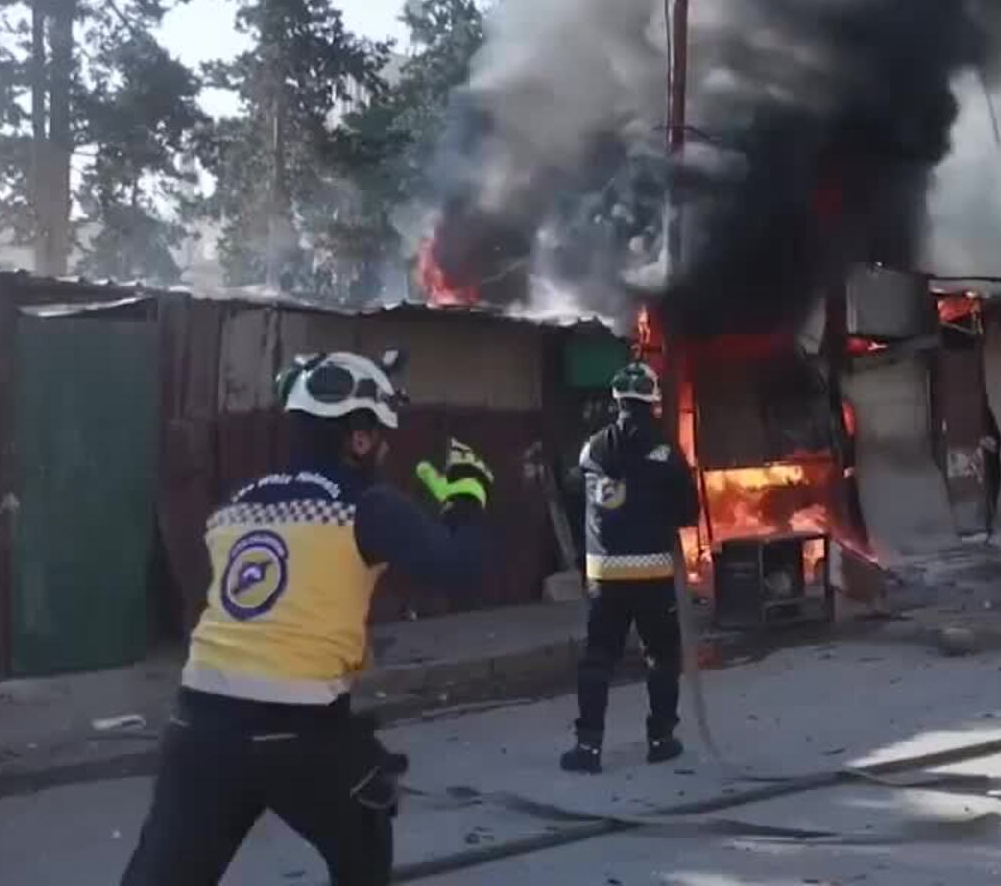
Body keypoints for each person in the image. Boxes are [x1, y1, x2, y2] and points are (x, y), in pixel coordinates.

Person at [121, 350, 493, 886]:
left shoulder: (236, 508)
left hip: (198, 726)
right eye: (381, 436)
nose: (384, 448)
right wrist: (468, 495)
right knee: (363, 850)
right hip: (302, 733)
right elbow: (462, 568)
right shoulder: (366, 505)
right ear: (359, 439)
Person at [561, 359, 699, 774]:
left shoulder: (593, 448)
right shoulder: (666, 452)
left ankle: (588, 748)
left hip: (605, 575)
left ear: (617, 400)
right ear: (652, 401)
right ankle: (661, 740)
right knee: (661, 656)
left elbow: (576, 498)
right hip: (653, 573)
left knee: (599, 658)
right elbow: (688, 512)